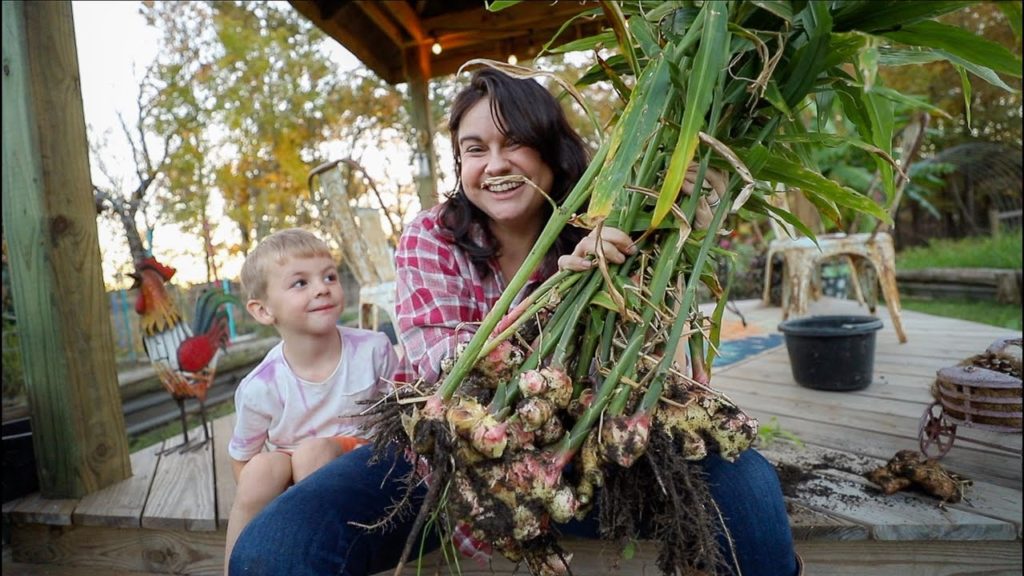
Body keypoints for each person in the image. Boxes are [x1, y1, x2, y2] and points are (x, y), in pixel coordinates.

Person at [230, 70, 798, 576]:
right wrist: (556, 293)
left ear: (553, 152)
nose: (494, 165)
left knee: (745, 486)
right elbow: (437, 358)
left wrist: (678, 231)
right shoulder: (432, 236)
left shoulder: (614, 225)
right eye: (474, 149)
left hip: (588, 462)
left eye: (515, 144)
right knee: (274, 550)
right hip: (446, 463)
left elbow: (650, 364)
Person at [224, 228, 398, 572]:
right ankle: (234, 567)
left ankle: (329, 555)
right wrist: (270, 490)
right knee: (261, 469)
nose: (322, 288)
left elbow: (399, 421)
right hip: (295, 473)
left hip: (361, 464)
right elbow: (241, 459)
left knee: (312, 455)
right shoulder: (261, 386)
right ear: (263, 311)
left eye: (329, 276)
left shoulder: (373, 350)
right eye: (300, 283)